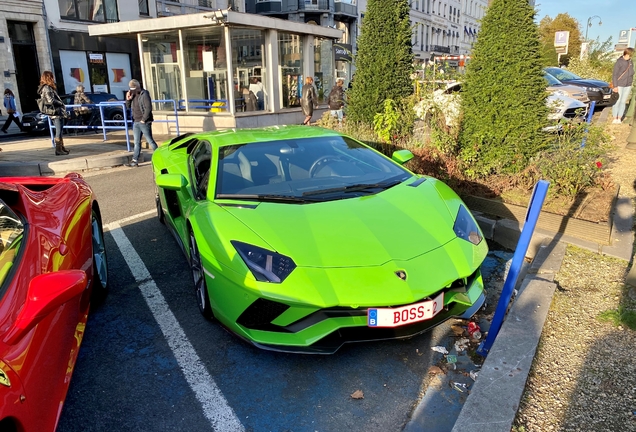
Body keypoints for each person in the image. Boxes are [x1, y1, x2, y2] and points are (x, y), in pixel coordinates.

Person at [125, 79, 157, 167]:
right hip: (136, 122)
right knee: (136, 142)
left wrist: (144, 119)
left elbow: (148, 108)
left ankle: (160, 156)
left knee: (150, 141)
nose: (132, 90)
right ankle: (134, 161)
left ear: (137, 86)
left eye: (133, 88)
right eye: (130, 88)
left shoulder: (144, 94)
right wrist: (128, 99)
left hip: (144, 122)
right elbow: (127, 106)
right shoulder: (132, 94)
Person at [37, 71, 69, 155]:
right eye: (52, 77)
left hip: (56, 112)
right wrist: (61, 103)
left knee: (60, 130)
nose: (53, 78)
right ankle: (58, 150)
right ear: (48, 77)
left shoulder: (48, 87)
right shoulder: (47, 87)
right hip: (55, 112)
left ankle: (61, 148)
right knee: (58, 131)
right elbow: (50, 100)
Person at [611, 47, 635, 124]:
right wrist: (615, 86)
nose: (631, 56)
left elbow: (632, 72)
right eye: (631, 54)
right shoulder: (619, 62)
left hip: (628, 85)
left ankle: (619, 118)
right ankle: (615, 117)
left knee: (623, 102)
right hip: (619, 84)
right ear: (627, 53)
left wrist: (630, 82)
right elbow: (614, 75)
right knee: (617, 101)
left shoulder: (631, 62)